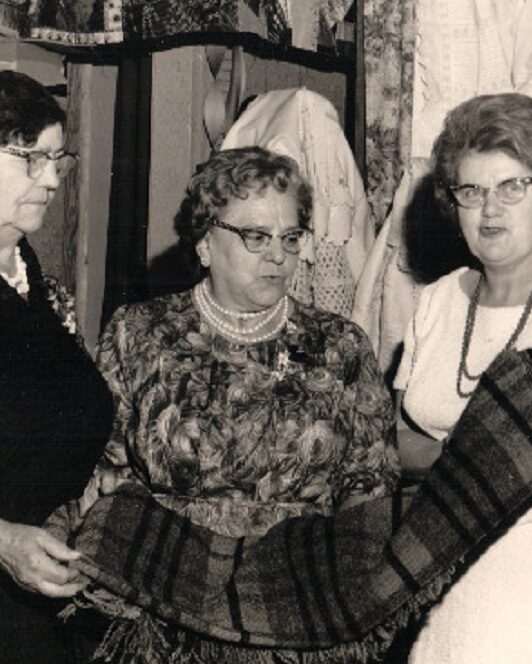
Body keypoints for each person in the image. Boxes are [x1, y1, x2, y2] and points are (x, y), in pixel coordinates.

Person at [68, 145, 399, 659]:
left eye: (290, 237)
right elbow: (98, 469)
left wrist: (343, 582)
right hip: (165, 603)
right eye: (256, 237)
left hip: (296, 609)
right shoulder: (142, 332)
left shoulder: (340, 345)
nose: (278, 255)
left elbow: (371, 483)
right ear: (204, 243)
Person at [394, 92, 532, 662]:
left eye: (512, 187)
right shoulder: (435, 301)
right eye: (472, 192)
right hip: (431, 567)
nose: (490, 211)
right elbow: (397, 439)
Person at [0, 70, 114, 662]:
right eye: (30, 158)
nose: (51, 180)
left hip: (42, 592)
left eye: (57, 159)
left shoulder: (27, 275)